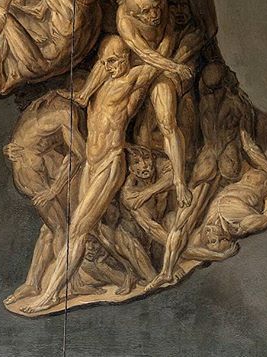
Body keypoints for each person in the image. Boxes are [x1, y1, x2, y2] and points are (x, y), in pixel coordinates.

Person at [21, 36, 163, 313]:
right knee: (94, 228)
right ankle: (132, 272)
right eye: (106, 62)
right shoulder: (99, 82)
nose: (109, 67)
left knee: (78, 230)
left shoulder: (132, 78)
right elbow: (86, 91)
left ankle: (50, 295)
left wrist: (170, 64)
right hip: (91, 164)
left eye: (114, 61)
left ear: (127, 58)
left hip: (110, 163)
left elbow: (153, 62)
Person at [147, 62, 267, 290]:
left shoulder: (203, 102)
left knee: (183, 221)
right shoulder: (237, 105)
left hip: (206, 162)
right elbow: (249, 146)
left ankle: (166, 271)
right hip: (226, 162)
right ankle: (168, 270)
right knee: (194, 216)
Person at [116, 0, 194, 210]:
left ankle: (179, 181)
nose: (154, 15)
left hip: (162, 67)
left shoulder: (158, 2)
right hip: (137, 70)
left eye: (155, 7)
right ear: (134, 13)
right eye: (146, 12)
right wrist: (173, 67)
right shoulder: (125, 21)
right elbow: (144, 53)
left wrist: (169, 65)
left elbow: (168, 37)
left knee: (168, 122)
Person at [3, 90, 86, 305]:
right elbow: (78, 155)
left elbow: (27, 141)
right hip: (33, 174)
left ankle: (33, 282)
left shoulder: (36, 106)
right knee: (60, 229)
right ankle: (65, 286)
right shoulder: (65, 112)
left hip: (25, 171)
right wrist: (54, 189)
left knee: (48, 229)